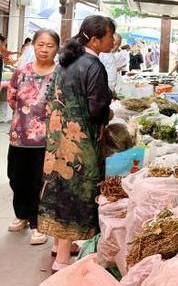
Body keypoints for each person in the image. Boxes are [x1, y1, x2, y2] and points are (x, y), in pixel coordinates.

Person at [38, 15, 115, 273]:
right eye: (109, 36)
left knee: (58, 188)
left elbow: (51, 97)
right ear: (95, 39)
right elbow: (97, 109)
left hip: (58, 138)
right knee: (76, 193)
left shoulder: (65, 62)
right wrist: (108, 114)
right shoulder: (93, 65)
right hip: (80, 143)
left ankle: (60, 244)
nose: (112, 40)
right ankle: (62, 260)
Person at [7, 29, 59, 246]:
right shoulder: (22, 71)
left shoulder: (59, 73)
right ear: (33, 46)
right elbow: (12, 97)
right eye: (40, 44)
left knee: (40, 181)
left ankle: (39, 224)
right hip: (19, 136)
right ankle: (22, 215)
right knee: (17, 177)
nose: (44, 49)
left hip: (45, 140)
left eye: (50, 45)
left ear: (57, 48)